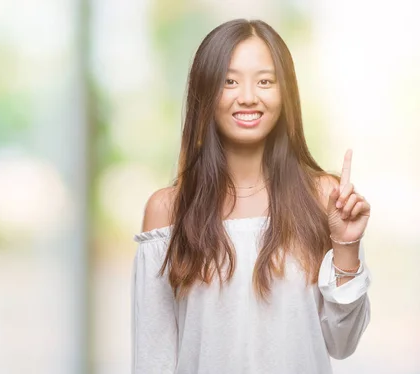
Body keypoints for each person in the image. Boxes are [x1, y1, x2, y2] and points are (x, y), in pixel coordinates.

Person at [131, 19, 372, 374]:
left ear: (285, 93)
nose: (248, 96)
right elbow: (154, 358)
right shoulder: (168, 210)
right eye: (230, 81)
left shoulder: (324, 198)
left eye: (264, 81)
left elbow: (342, 343)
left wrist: (346, 246)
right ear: (205, 91)